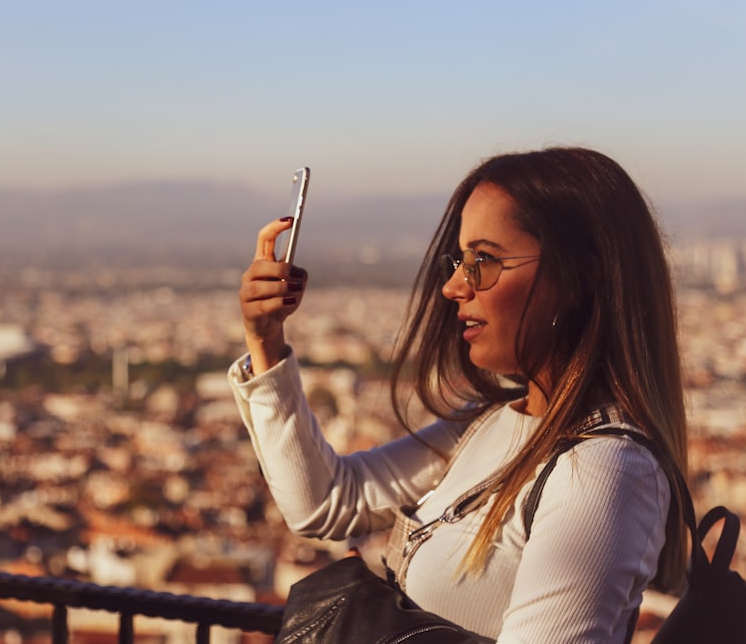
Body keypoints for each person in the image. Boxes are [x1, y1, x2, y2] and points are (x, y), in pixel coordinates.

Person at [229, 147, 689, 643]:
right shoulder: (486, 425)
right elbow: (326, 501)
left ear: (579, 279)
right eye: (460, 260)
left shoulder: (605, 470)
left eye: (483, 261)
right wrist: (266, 341)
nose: (453, 287)